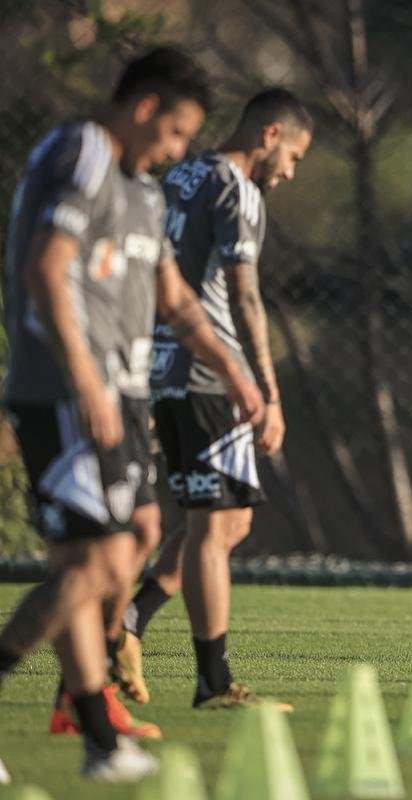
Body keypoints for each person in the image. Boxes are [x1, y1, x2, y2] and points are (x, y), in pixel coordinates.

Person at [0, 47, 263, 780]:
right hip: (65, 392)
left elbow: (174, 301)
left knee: (133, 539)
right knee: (96, 562)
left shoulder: (144, 193)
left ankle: (95, 734)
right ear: (145, 108)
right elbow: (46, 268)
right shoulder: (83, 149)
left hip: (117, 397)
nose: (179, 151)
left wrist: (236, 374)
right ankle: (93, 730)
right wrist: (83, 377)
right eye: (178, 133)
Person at [111, 89, 312, 711]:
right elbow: (245, 295)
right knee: (210, 523)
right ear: (271, 134)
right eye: (296, 156)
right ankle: (214, 682)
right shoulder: (238, 187)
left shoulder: (182, 173)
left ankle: (129, 625)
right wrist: (267, 391)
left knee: (229, 520)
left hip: (163, 368)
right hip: (210, 376)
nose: (291, 171)